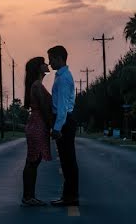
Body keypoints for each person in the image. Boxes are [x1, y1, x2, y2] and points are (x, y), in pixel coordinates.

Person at [48, 45, 78, 207]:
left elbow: (62, 106)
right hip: (64, 120)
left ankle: (71, 197)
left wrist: (57, 128)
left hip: (64, 122)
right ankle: (69, 196)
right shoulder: (61, 76)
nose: (49, 62)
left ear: (59, 58)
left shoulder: (64, 78)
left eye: (51, 58)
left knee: (68, 161)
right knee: (67, 161)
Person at [21, 56, 52, 206]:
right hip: (38, 124)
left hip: (35, 123)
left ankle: (29, 196)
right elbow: (45, 108)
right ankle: (28, 197)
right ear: (38, 68)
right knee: (33, 161)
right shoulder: (37, 85)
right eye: (44, 63)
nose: (47, 65)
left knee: (33, 161)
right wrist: (52, 125)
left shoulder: (36, 85)